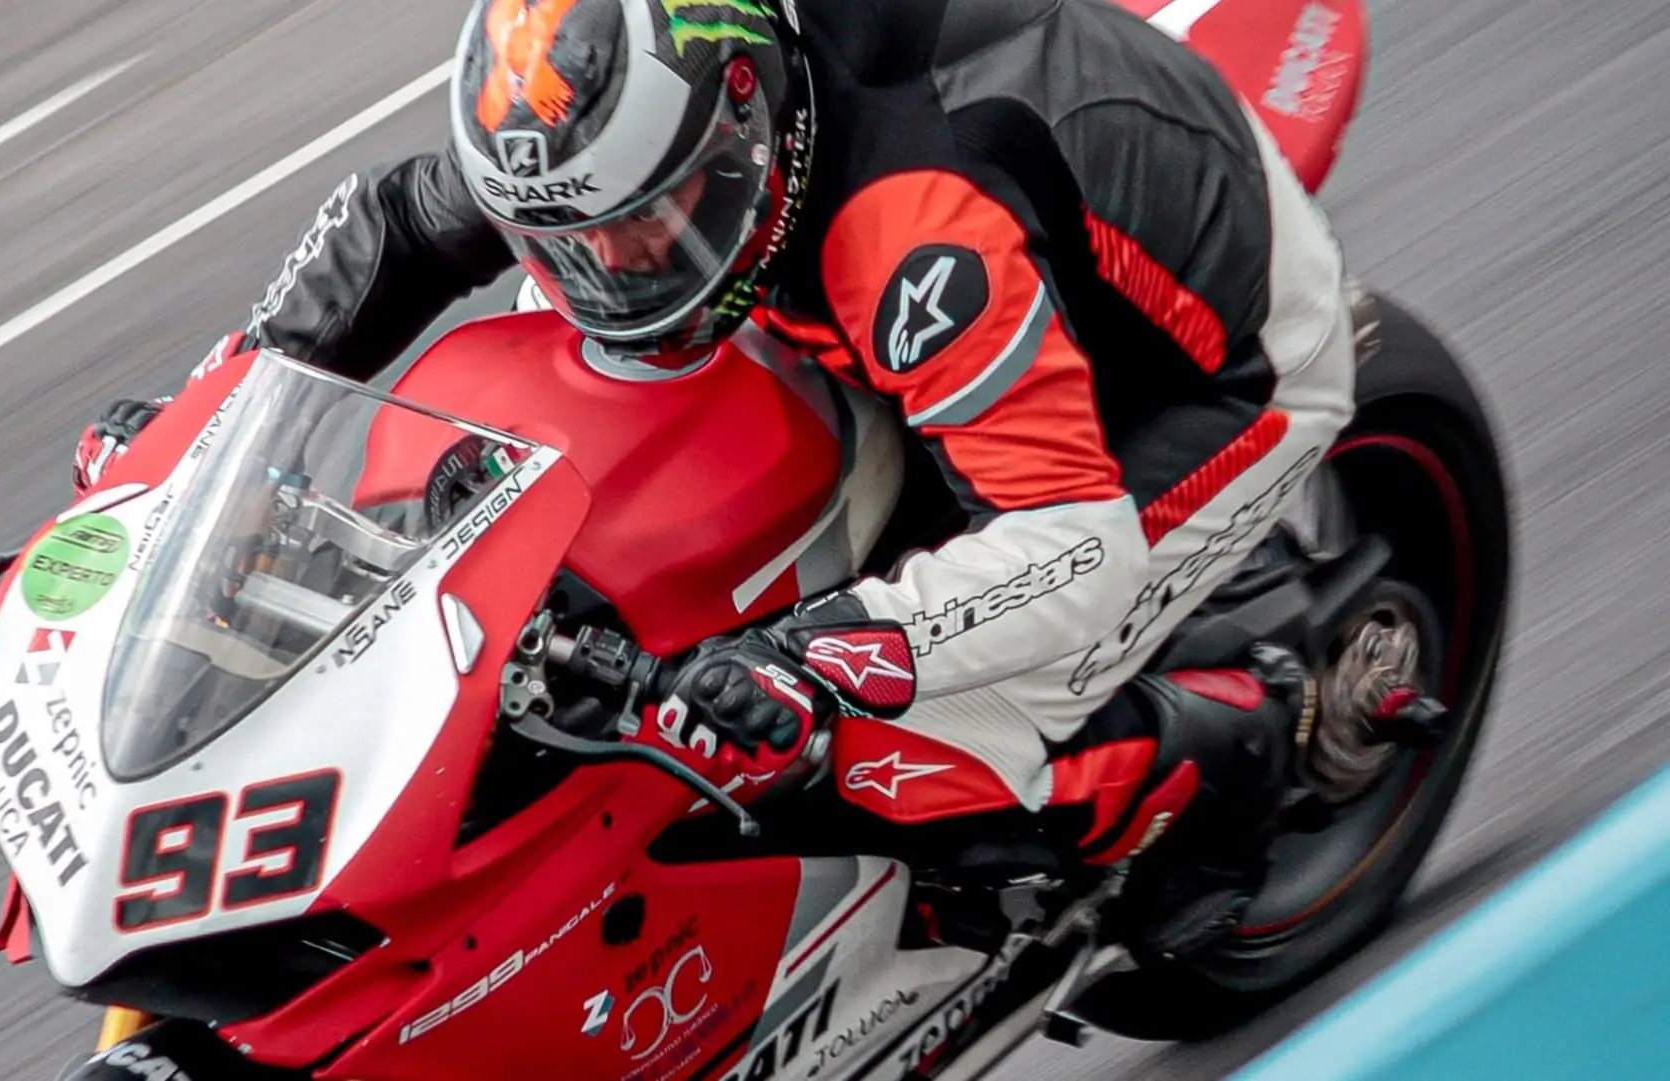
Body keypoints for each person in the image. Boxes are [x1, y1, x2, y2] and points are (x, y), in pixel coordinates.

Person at [73, 0, 1364, 961]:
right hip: (907, 291)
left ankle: (1233, 734)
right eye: (570, 241)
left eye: (654, 222)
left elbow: (1069, 544)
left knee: (899, 753)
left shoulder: (911, 238)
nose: (619, 268)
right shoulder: (603, 136)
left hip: (1204, 378)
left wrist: (812, 657)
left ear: (747, 117)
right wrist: (205, 423)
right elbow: (398, 222)